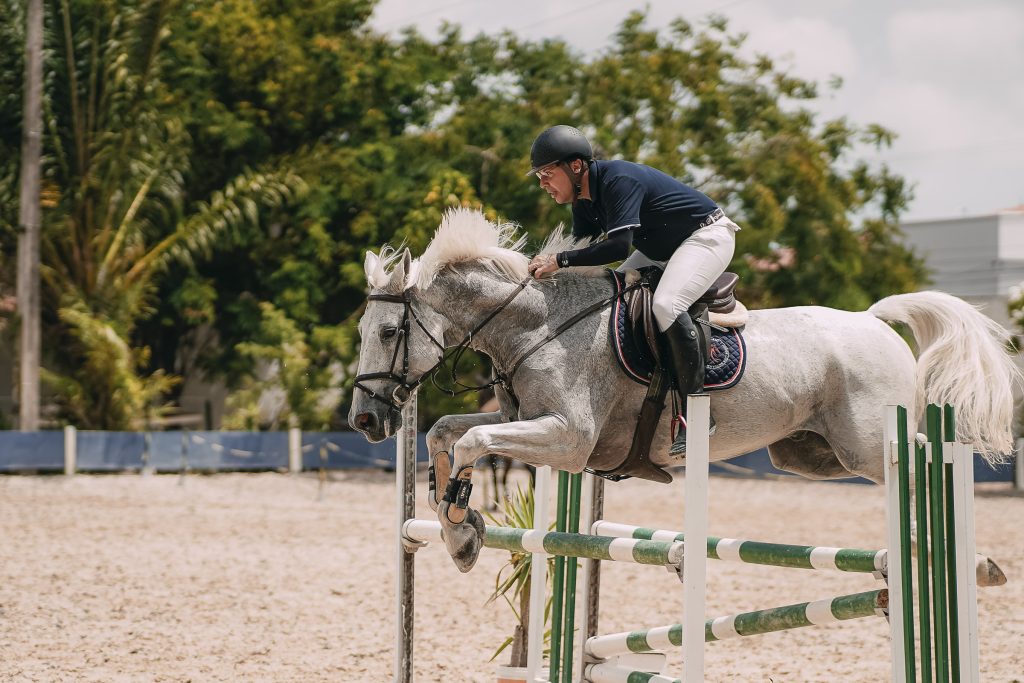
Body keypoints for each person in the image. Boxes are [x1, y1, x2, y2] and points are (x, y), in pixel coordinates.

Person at [526, 124, 740, 454]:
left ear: (576, 166)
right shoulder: (583, 200)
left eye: (546, 173)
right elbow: (583, 251)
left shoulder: (616, 181)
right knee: (608, 295)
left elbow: (616, 249)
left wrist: (559, 259)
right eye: (539, 176)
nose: (542, 184)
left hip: (706, 237)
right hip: (663, 248)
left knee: (666, 305)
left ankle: (697, 413)